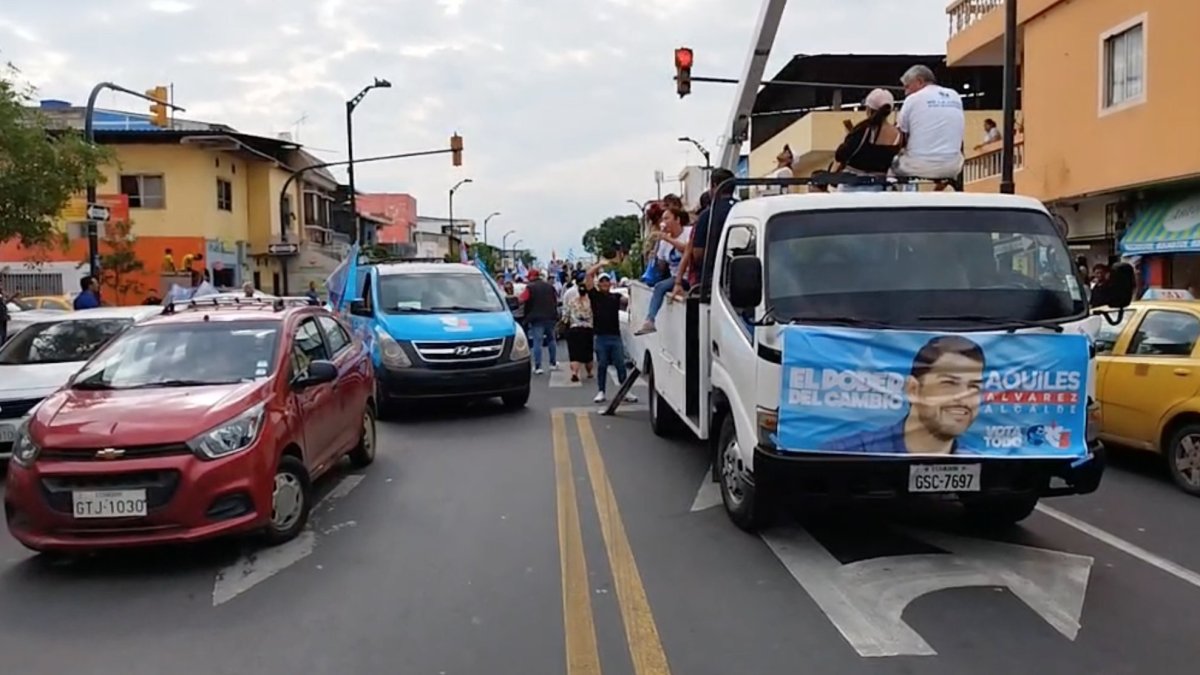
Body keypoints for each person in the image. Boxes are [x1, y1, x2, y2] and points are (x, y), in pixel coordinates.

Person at [820, 335, 985, 455]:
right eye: (949, 384)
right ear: (913, 389)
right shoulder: (846, 455)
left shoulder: (986, 471)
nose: (964, 397)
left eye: (974, 387)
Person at [894, 65, 965, 187]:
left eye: (907, 86)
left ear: (920, 81)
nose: (906, 92)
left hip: (918, 166)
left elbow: (901, 136)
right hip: (953, 167)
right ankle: (938, 190)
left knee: (892, 165)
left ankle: (901, 200)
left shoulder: (912, 99)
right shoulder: (955, 96)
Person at [676, 167, 737, 298]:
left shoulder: (707, 216)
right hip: (744, 280)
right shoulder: (743, 209)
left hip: (712, 284)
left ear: (713, 186)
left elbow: (698, 254)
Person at [584, 260, 637, 404]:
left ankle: (625, 391)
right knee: (602, 365)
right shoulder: (595, 296)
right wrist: (601, 265)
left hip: (615, 337)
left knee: (620, 364)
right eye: (602, 281)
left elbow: (630, 300)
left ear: (610, 284)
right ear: (599, 284)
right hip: (601, 337)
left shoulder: (616, 297)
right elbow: (588, 275)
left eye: (607, 281)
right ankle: (601, 391)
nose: (605, 284)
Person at [831, 88, 902, 192]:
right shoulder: (897, 135)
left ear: (868, 109)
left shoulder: (864, 129)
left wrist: (848, 138)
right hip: (878, 186)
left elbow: (841, 155)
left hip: (851, 185)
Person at [637, 206, 692, 334]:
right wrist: (654, 257)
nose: (664, 222)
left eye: (667, 218)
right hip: (674, 277)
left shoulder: (688, 232)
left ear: (677, 219)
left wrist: (668, 239)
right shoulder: (663, 243)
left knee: (660, 287)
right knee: (659, 286)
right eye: (663, 219)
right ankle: (649, 320)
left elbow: (687, 249)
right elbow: (662, 267)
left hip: (688, 275)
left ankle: (650, 320)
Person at [520, 268, 559, 374]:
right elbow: (556, 300)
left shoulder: (530, 288)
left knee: (538, 342)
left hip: (536, 318)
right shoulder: (550, 286)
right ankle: (553, 363)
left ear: (530, 277)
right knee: (552, 340)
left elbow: (521, 300)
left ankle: (538, 366)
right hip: (550, 316)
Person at [563, 281, 595, 382]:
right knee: (588, 354)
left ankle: (574, 372)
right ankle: (589, 372)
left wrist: (564, 324)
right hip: (588, 329)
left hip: (574, 329)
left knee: (574, 353)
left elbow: (565, 316)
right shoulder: (591, 301)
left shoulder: (572, 301)